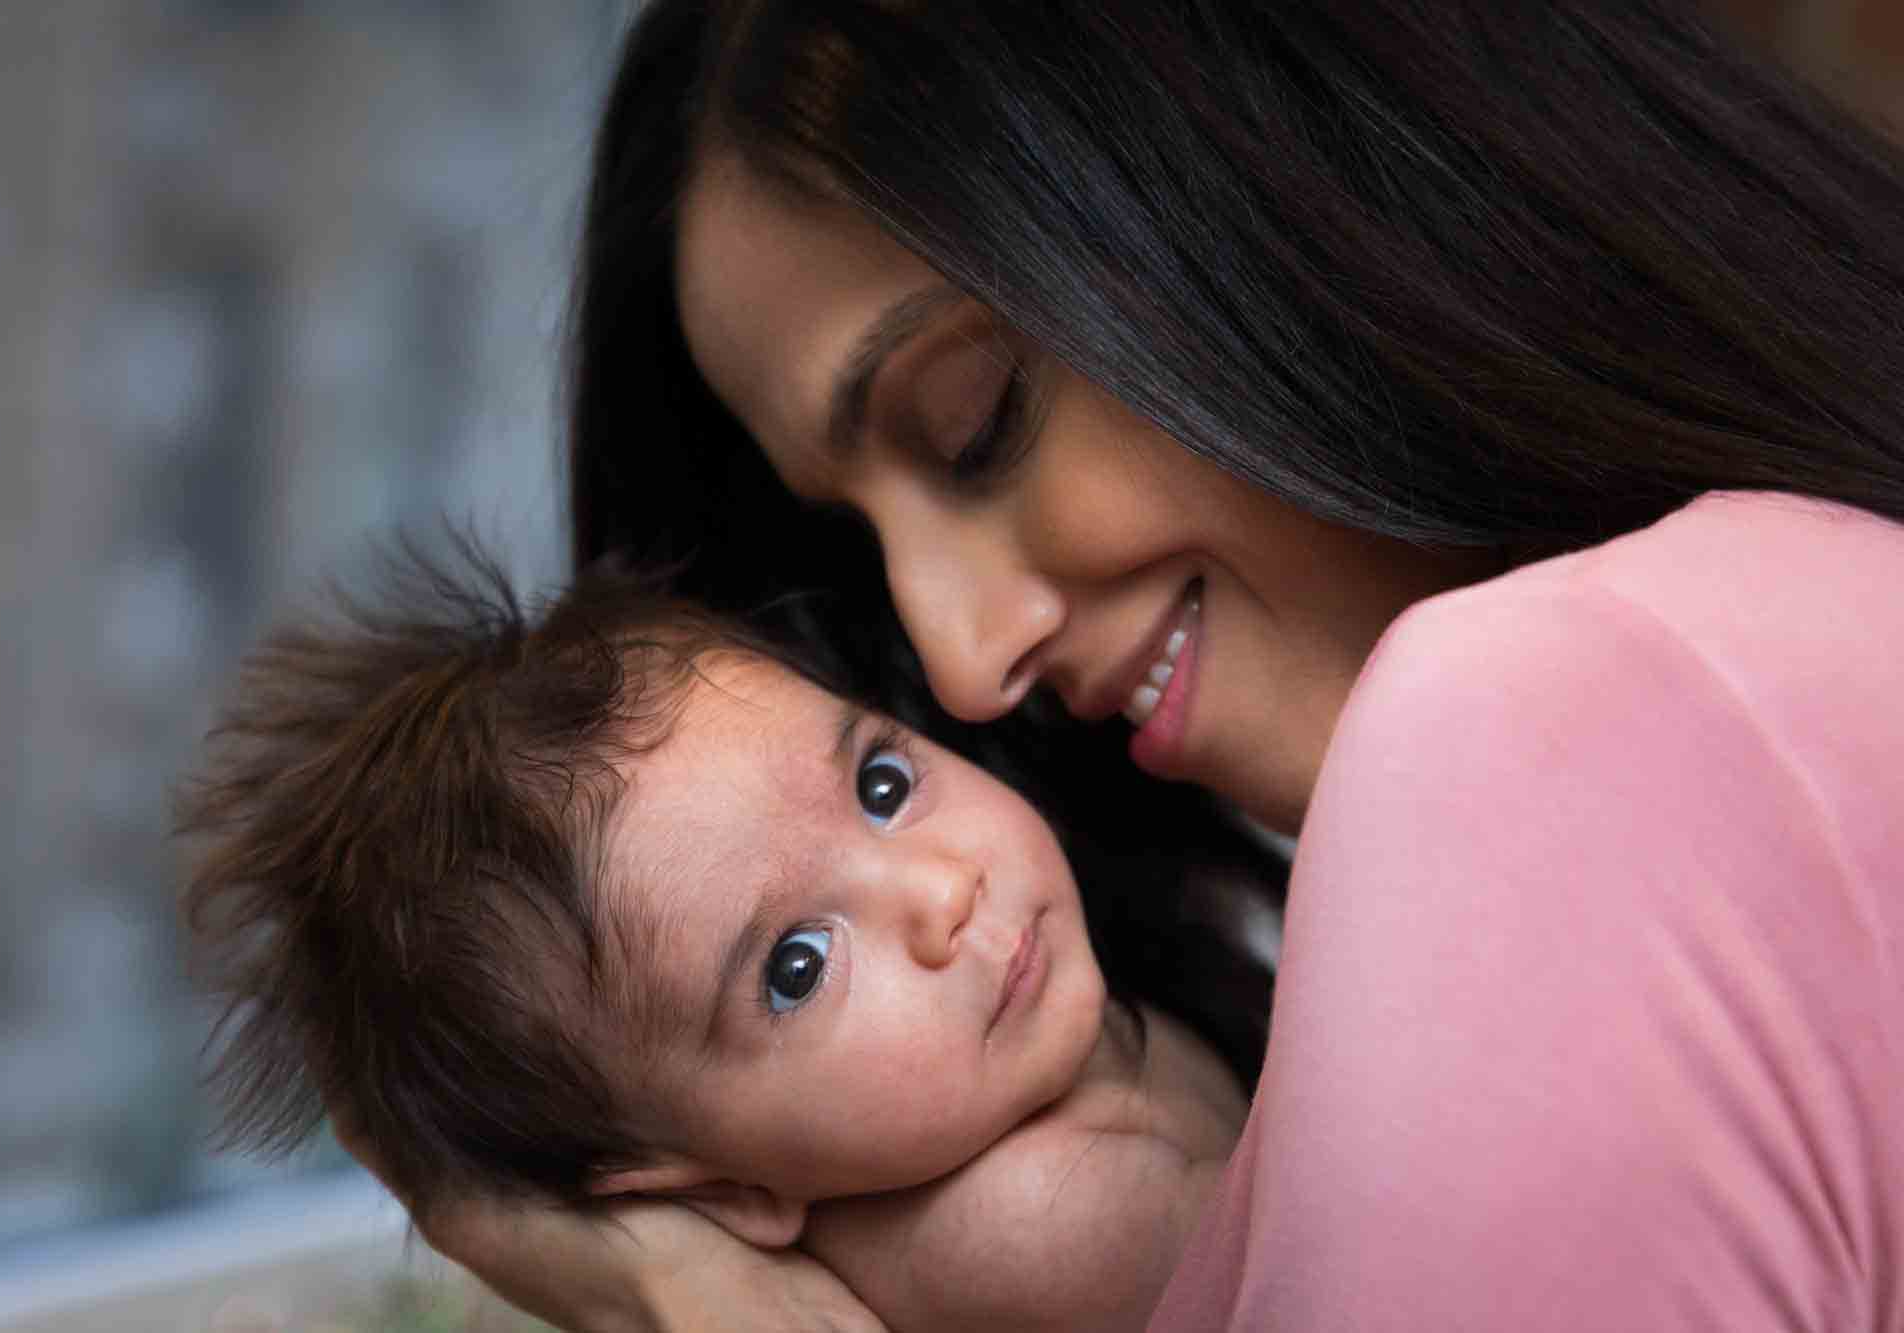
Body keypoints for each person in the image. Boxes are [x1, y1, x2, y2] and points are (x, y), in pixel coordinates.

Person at [371, 0, 1904, 1328]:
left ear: (1278, 177)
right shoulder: (1790, 611)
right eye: (865, 558)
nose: (966, 672)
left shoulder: (1527, 731)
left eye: (977, 423)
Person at [178, 555, 1252, 1333]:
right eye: (798, 965)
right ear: (725, 1193)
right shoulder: (1036, 1228)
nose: (940, 891)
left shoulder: (1020, 1048)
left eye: (881, 784)